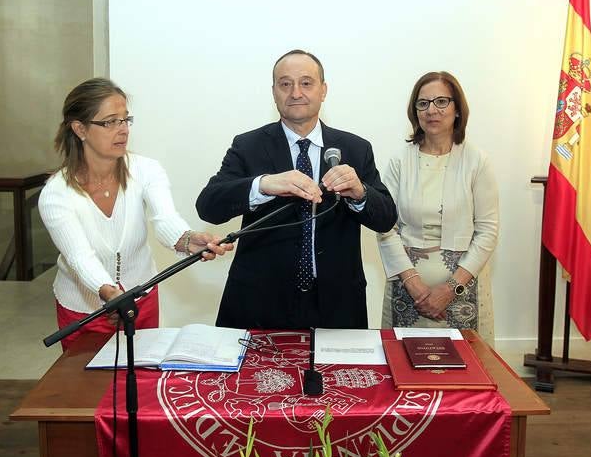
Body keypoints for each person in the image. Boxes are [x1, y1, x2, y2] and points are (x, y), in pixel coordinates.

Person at [196, 49, 397, 329]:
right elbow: (208, 206)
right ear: (274, 91)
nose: (295, 93)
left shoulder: (354, 148)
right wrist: (263, 185)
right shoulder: (249, 145)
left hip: (337, 302)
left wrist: (361, 193)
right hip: (259, 302)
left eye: (306, 83)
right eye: (285, 84)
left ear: (323, 90)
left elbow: (387, 217)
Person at [40, 78, 232, 349]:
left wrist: (187, 240)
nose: (122, 130)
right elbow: (79, 257)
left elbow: (165, 219)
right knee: (89, 390)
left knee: (141, 383)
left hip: (140, 302)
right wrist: (109, 293)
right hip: (85, 310)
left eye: (125, 120)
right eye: (109, 122)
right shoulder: (56, 193)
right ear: (80, 129)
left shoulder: (146, 170)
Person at [377, 71, 499, 343]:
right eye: (423, 103)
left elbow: (487, 232)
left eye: (441, 102)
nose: (431, 110)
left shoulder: (476, 161)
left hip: (462, 289)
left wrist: (451, 288)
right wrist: (414, 284)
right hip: (408, 290)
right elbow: (385, 228)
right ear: (415, 111)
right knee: (404, 371)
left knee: (466, 375)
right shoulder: (399, 162)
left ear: (457, 109)